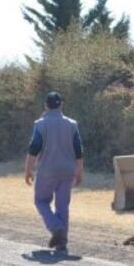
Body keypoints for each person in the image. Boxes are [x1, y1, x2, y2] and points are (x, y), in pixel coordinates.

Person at [24, 91, 83, 252]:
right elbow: (78, 150)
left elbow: (34, 149)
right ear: (61, 105)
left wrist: (28, 170)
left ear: (45, 105)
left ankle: (57, 228)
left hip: (47, 170)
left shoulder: (40, 124)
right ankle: (62, 242)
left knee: (41, 201)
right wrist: (79, 170)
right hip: (68, 170)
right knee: (63, 205)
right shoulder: (72, 124)